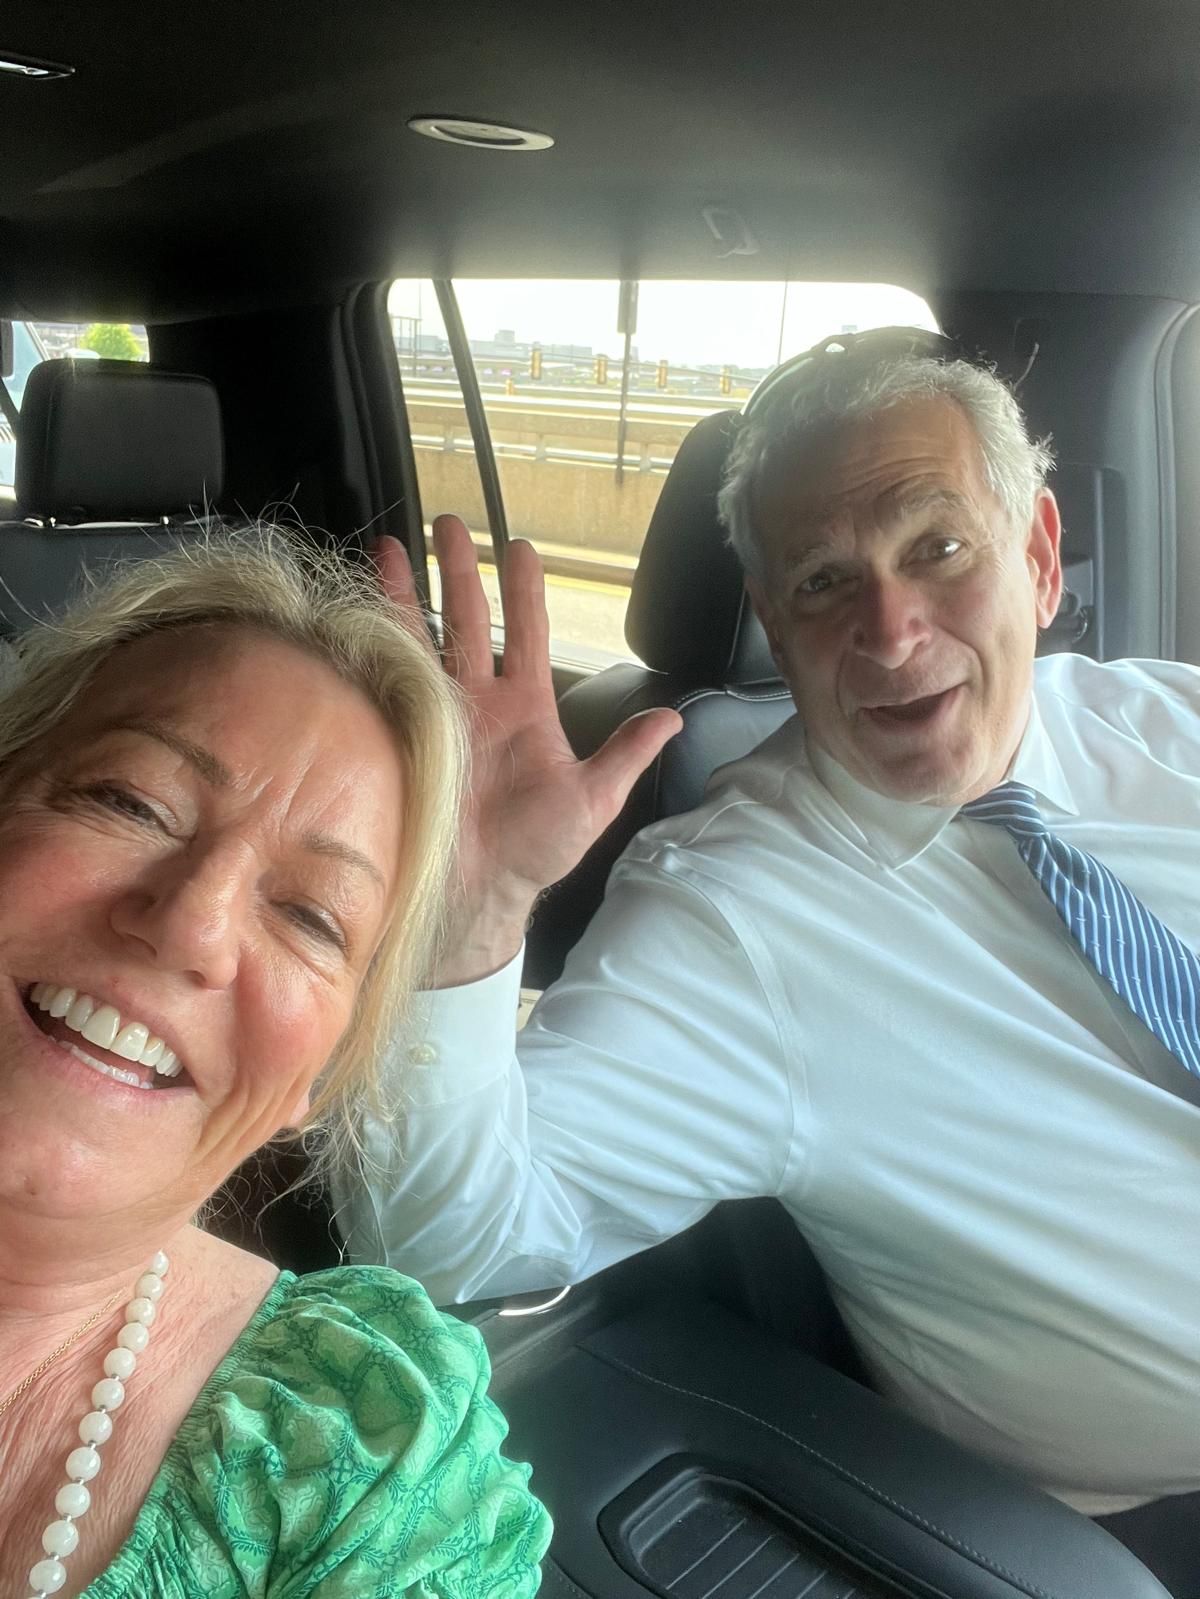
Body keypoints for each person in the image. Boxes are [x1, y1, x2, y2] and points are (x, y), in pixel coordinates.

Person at [340, 327, 1200, 1587]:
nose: (891, 631)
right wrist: (470, 919)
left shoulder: (1170, 720)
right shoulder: (733, 911)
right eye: (823, 581)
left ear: (1036, 552)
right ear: (774, 627)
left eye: (938, 549)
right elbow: (450, 1241)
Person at [0, 531, 550, 1598]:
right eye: (130, 802)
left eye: (309, 916)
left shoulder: (366, 1462)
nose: (194, 925)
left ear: (317, 1078)